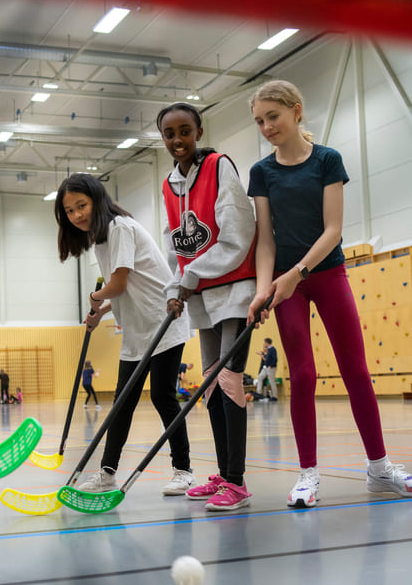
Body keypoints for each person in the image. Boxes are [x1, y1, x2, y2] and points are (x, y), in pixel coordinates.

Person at [247, 79, 412, 508]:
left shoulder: (327, 160)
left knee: (355, 370)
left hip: (325, 273)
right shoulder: (261, 173)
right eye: (260, 121)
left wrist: (297, 273)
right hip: (286, 284)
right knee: (302, 375)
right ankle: (307, 475)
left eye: (273, 117)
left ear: (296, 111)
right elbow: (265, 239)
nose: (266, 127)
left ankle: (379, 468)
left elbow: (333, 229)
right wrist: (265, 289)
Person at [55, 173, 195, 496]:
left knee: (162, 396)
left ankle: (184, 470)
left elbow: (115, 285)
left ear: (97, 200)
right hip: (137, 330)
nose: (77, 215)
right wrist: (100, 313)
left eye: (82, 205)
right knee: (122, 404)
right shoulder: (100, 238)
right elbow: (124, 289)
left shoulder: (119, 228)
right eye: (70, 210)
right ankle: (107, 474)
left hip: (163, 323)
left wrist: (94, 299)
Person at [157, 102, 257, 511]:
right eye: (169, 134)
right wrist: (172, 288)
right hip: (200, 297)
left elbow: (238, 234)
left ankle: (236, 481)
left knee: (231, 381)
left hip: (233, 290)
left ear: (198, 130)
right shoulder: (167, 185)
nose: (177, 140)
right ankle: (223, 476)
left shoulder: (219, 167)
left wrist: (190, 277)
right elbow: (171, 244)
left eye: (185, 131)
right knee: (213, 382)